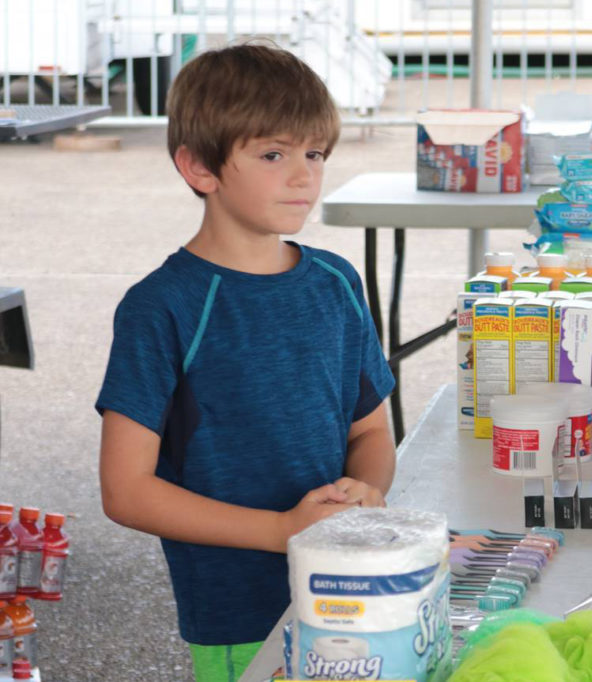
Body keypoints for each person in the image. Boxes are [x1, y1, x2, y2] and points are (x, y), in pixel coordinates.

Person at [96, 43, 396, 682]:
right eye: (272, 155)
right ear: (199, 167)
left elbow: (370, 431)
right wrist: (284, 530)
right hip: (237, 615)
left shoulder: (336, 281)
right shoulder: (162, 307)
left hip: (350, 594)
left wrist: (367, 491)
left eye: (314, 154)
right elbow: (125, 491)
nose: (303, 177)